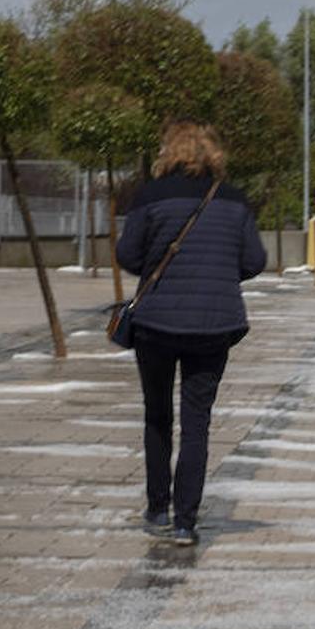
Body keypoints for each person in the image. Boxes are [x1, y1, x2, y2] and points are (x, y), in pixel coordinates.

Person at [116, 121, 266, 546]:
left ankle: (156, 508)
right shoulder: (234, 200)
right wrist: (219, 273)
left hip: (156, 325)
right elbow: (254, 260)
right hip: (213, 326)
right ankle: (186, 522)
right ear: (213, 154)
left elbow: (127, 255)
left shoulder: (150, 196)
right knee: (197, 422)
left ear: (169, 152)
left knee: (158, 415)